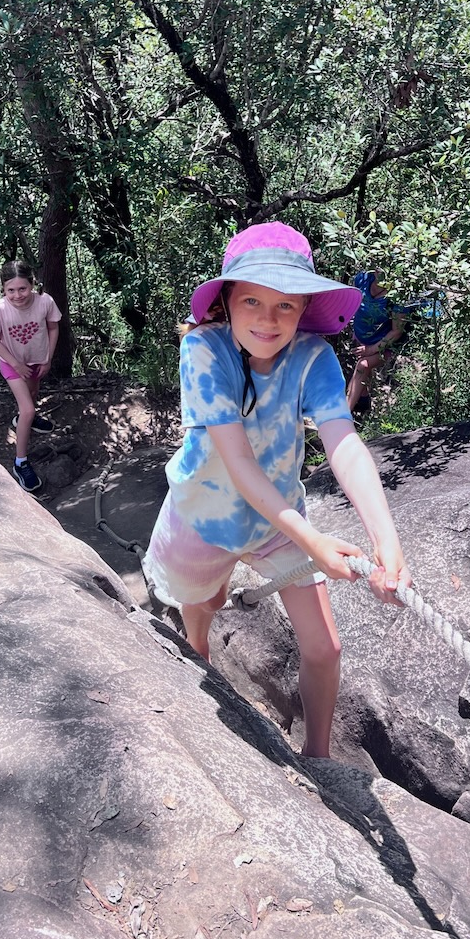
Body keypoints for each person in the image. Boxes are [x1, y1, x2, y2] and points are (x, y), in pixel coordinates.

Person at [144, 222, 412, 759]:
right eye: (252, 301)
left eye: (285, 306)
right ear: (227, 301)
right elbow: (238, 462)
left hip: (276, 523)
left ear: (304, 309)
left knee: (324, 646)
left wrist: (387, 538)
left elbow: (345, 445)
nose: (268, 320)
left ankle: (318, 759)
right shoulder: (203, 348)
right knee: (202, 610)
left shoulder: (313, 359)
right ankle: (200, 667)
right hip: (204, 516)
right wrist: (314, 541)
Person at [0, 260, 61, 493]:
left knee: (33, 394)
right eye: (11, 290)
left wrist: (47, 358)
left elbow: (53, 327)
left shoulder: (45, 302)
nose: (17, 295)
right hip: (12, 363)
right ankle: (21, 463)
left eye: (22, 288)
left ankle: (24, 420)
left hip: (36, 359)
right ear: (3, 289)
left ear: (32, 284)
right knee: (28, 408)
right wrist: (16, 364)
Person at [346, 271, 408, 414]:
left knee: (363, 366)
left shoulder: (398, 295)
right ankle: (363, 403)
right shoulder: (362, 279)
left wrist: (371, 349)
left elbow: (397, 332)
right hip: (362, 337)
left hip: (386, 344)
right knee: (363, 375)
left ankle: (341, 415)